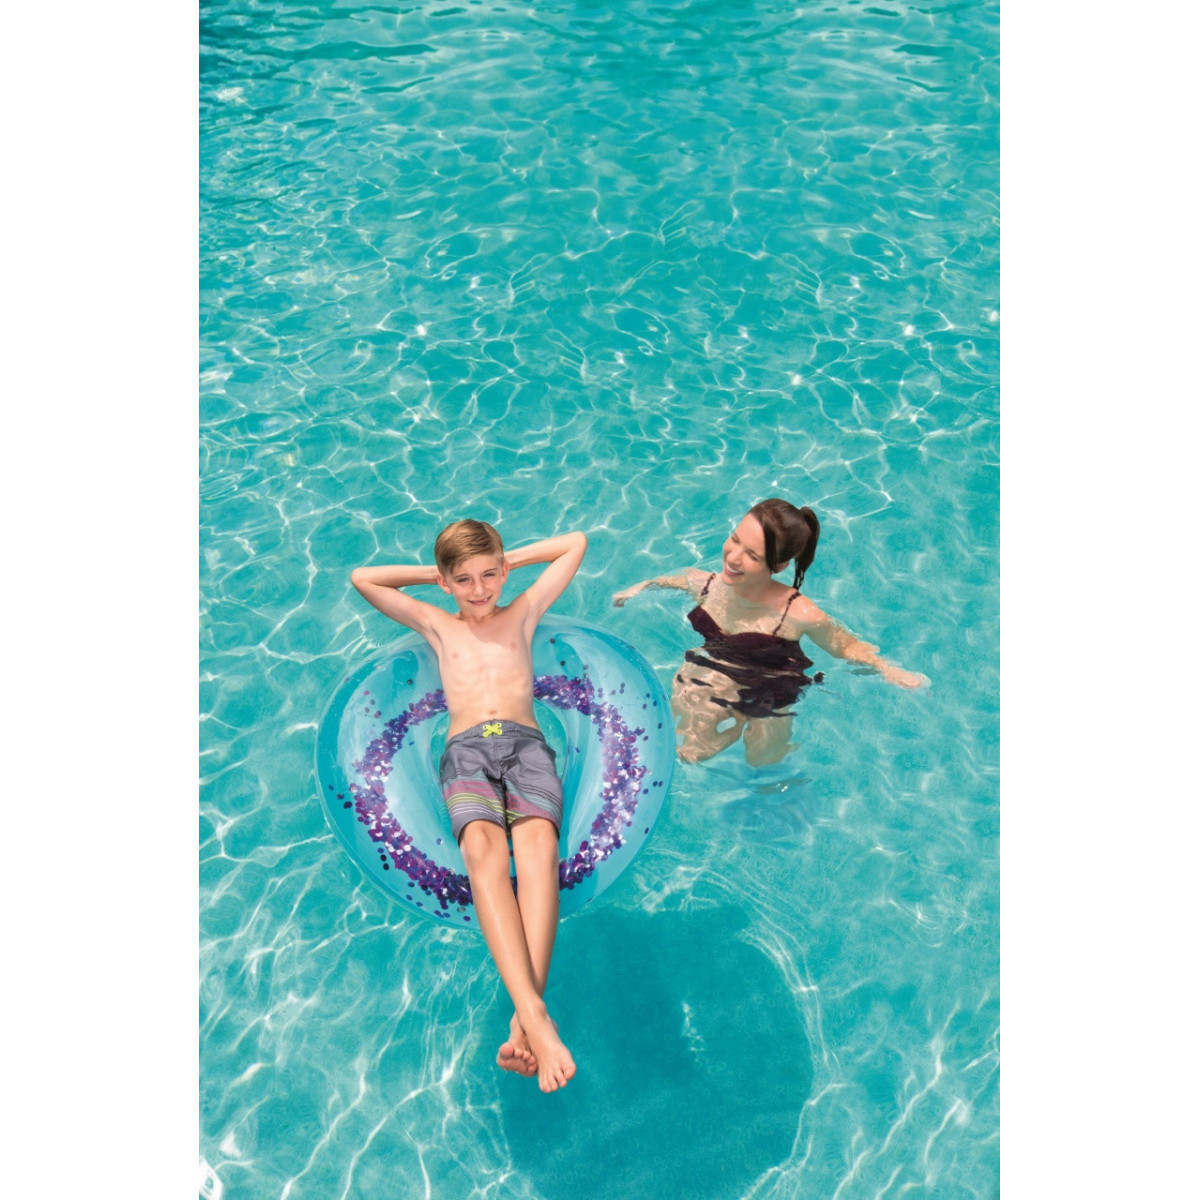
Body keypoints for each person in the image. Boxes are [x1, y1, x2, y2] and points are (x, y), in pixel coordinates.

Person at [351, 519, 587, 1093]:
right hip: (466, 751)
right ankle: (535, 1016)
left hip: (526, 746)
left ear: (503, 571)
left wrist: (508, 561)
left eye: (489, 575)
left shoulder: (522, 611)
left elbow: (574, 544)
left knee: (539, 846)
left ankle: (526, 1017)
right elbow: (364, 578)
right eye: (464, 580)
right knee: (483, 850)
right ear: (445, 583)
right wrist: (436, 574)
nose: (479, 590)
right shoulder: (439, 624)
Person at [612, 499, 927, 767]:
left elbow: (843, 645)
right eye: (735, 539)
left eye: (752, 555)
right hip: (719, 668)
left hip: (774, 685)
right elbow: (675, 579)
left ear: (779, 566)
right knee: (687, 749)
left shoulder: (796, 612)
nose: (733, 558)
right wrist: (639, 588)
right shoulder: (706, 585)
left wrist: (887, 669)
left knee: (762, 760)